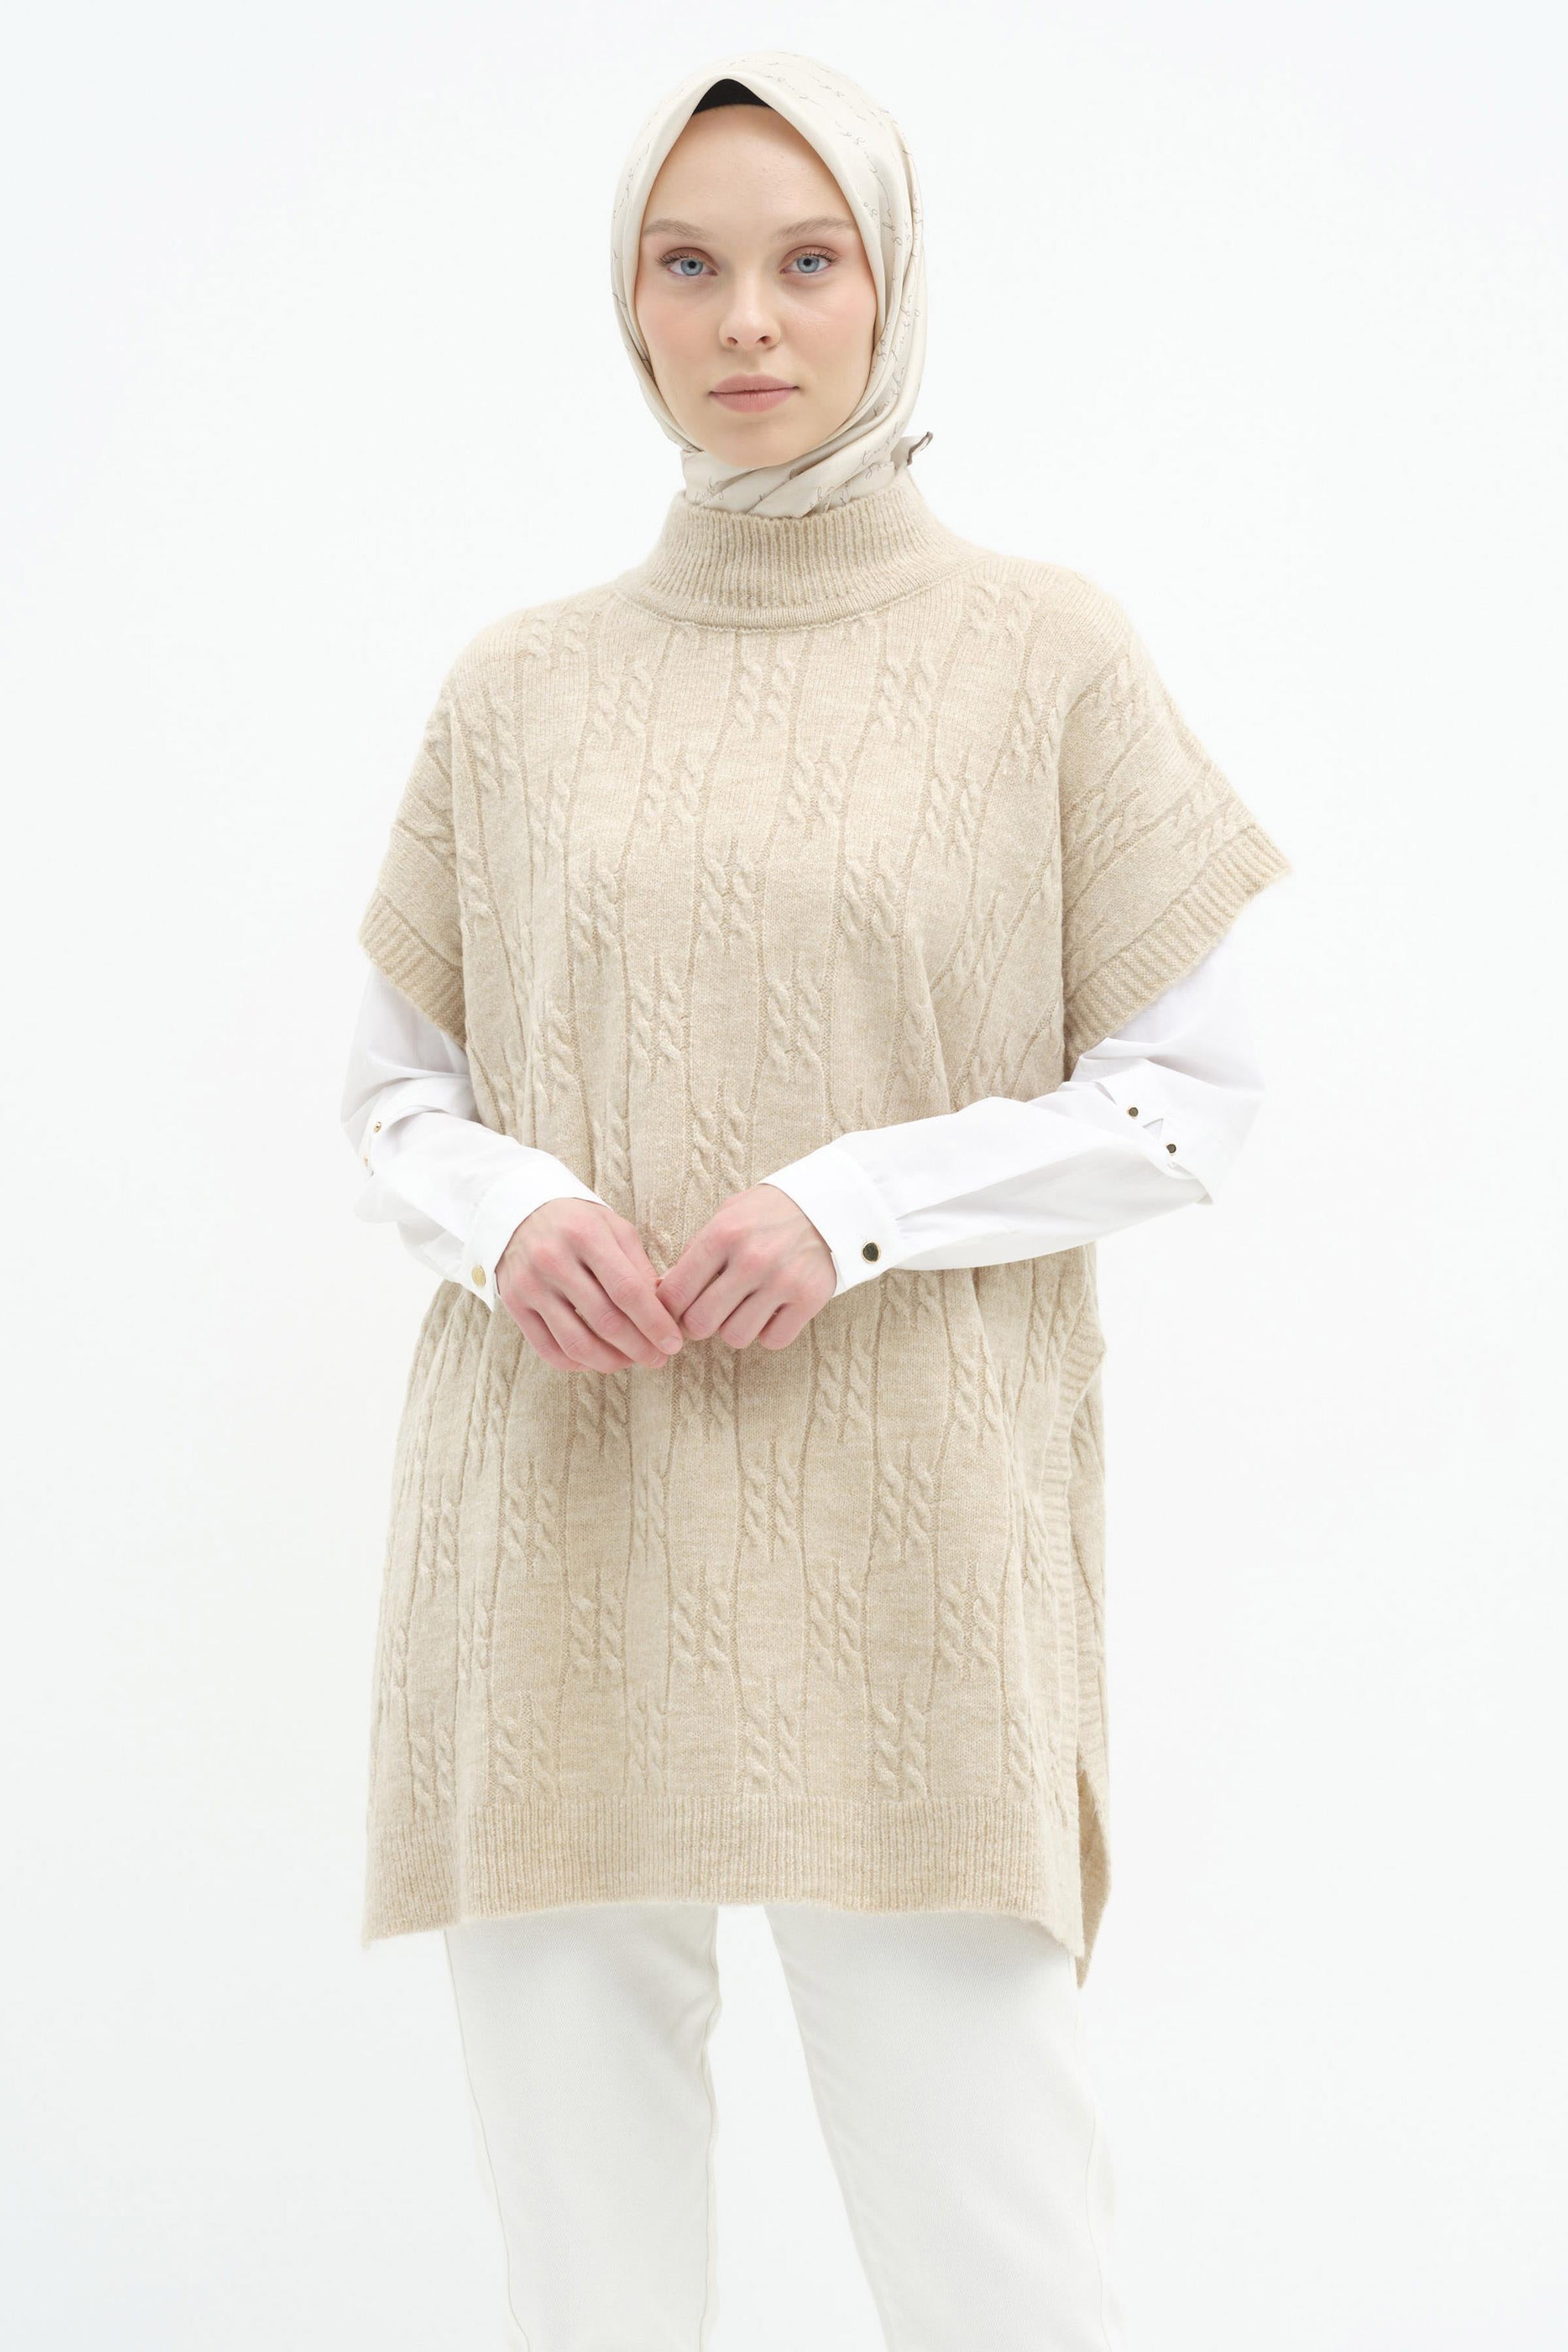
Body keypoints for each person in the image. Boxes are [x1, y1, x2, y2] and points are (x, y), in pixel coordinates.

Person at [341, 49, 1292, 2351]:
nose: (748, 320)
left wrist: (855, 1202)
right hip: (558, 1530)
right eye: (690, 265)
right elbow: (393, 1097)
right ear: (629, 301)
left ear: (892, 285)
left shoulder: (1046, 655)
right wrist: (512, 1208)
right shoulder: (518, 687)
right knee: (588, 2276)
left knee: (999, 2262)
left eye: (806, 261)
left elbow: (1190, 1099)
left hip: (911, 1547)